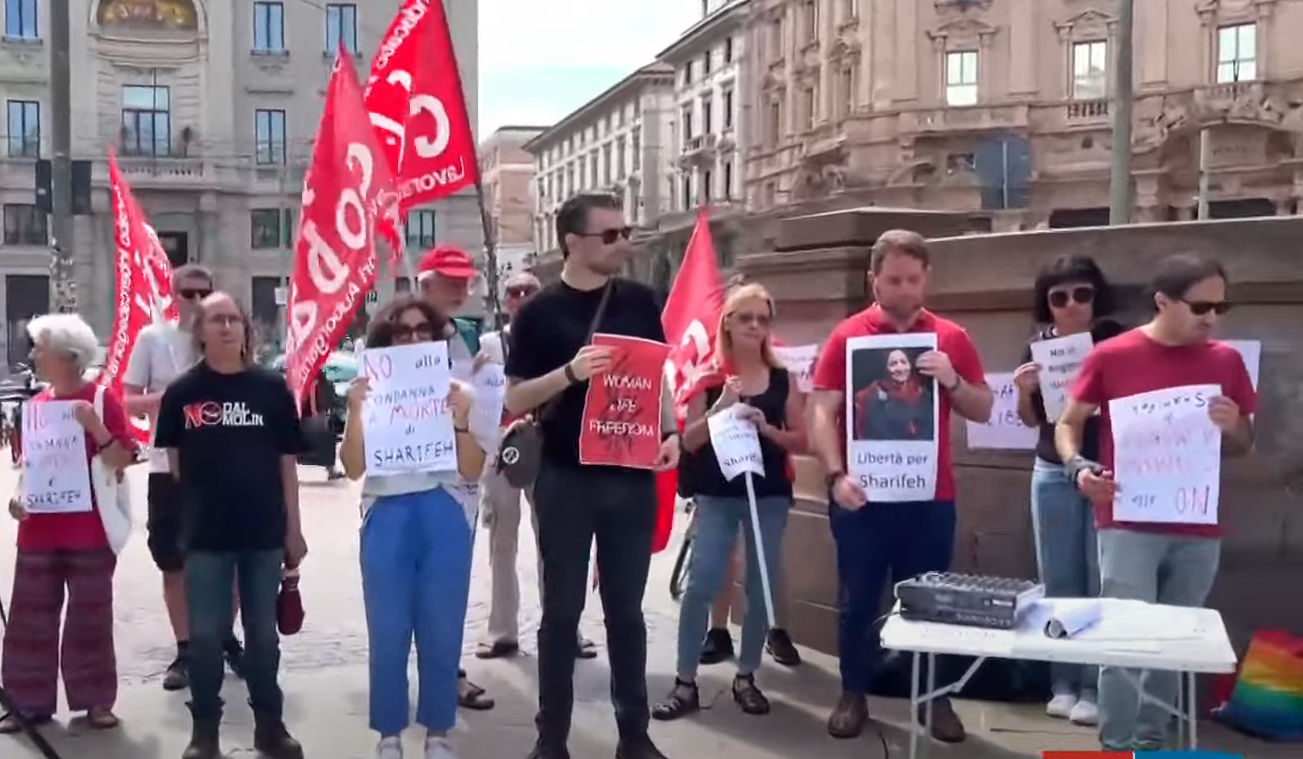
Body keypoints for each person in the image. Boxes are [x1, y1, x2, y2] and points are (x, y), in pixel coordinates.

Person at [1055, 253, 1254, 752]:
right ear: (1163, 302)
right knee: (1123, 637)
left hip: (1196, 524)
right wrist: (1079, 469)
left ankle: (1152, 741)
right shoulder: (1112, 355)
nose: (1212, 317)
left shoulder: (1226, 361)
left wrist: (1236, 427)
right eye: (1201, 305)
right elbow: (1066, 423)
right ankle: (1116, 743)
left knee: (1174, 640)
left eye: (1221, 306)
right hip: (1127, 519)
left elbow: (1245, 442)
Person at [505, 192, 680, 759]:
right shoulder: (539, 312)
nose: (623, 243)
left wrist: (672, 430)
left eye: (625, 231)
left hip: (630, 477)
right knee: (561, 614)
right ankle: (551, 739)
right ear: (572, 243)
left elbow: (657, 378)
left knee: (627, 614)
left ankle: (635, 736)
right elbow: (515, 396)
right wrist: (569, 373)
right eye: (610, 235)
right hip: (565, 478)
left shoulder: (639, 300)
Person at [808, 229, 992, 743]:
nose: (906, 289)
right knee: (858, 601)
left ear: (926, 277)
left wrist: (953, 380)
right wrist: (834, 473)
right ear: (874, 280)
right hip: (862, 497)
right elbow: (820, 409)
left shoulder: (949, 338)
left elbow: (984, 407)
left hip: (930, 498)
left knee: (931, 603)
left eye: (914, 279)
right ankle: (853, 692)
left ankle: (935, 698)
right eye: (895, 279)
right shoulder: (848, 336)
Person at [155, 292, 308, 759]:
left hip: (263, 535)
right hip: (205, 537)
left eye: (233, 319)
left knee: (263, 637)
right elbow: (176, 464)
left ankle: (270, 726)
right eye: (215, 320)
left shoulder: (270, 389)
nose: (225, 327)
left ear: (246, 329)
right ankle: (205, 733)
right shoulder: (181, 394)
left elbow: (288, 465)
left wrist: (294, 529)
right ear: (199, 332)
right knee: (204, 638)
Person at [340, 296, 494, 759]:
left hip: (443, 508)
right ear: (385, 342)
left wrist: (462, 419)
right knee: (386, 630)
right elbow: (351, 468)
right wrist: (353, 413)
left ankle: (438, 733)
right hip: (385, 509)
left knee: (442, 627)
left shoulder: (459, 391)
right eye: (399, 332)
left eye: (420, 330)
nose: (411, 338)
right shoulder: (368, 391)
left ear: (435, 337)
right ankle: (389, 734)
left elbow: (472, 469)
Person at [652, 283, 806, 721]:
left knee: (760, 588)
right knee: (701, 584)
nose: (755, 327)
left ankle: (747, 677)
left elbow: (802, 437)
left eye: (762, 319)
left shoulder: (782, 379)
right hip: (716, 494)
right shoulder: (709, 377)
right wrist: (722, 405)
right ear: (728, 324)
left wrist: (770, 430)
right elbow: (688, 440)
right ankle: (685, 684)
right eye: (746, 318)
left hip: (768, 493)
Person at [0, 314, 137, 733]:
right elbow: (30, 470)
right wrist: (17, 502)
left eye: (41, 348)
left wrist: (95, 428)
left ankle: (95, 700)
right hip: (38, 531)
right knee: (29, 619)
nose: (36, 355)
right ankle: (26, 702)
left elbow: (122, 460)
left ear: (67, 355)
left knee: (90, 617)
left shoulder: (100, 401)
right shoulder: (34, 408)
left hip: (89, 531)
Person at [123, 264, 247, 691]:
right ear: (173, 296)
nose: (196, 301)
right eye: (188, 294)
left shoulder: (225, 336)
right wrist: (172, 396)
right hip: (167, 467)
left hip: (224, 465)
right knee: (173, 561)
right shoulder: (152, 339)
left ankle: (224, 637)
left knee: (229, 558)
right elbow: (128, 401)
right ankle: (186, 647)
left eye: (204, 293)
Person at [1014, 255, 1123, 726]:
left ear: (1096, 297)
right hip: (1051, 467)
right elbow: (1031, 420)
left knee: (1102, 577)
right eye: (1060, 297)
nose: (1072, 305)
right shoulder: (1037, 348)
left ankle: (1098, 687)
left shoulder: (1116, 339)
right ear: (1048, 304)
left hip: (1105, 467)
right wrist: (1022, 390)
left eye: (1082, 294)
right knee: (1058, 579)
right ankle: (1064, 681)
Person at [476, 271, 600, 660]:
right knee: (502, 543)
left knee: (556, 544)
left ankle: (564, 627)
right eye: (514, 292)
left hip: (547, 446)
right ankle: (502, 631)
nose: (522, 297)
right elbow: (476, 393)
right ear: (506, 299)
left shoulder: (557, 340)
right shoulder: (489, 345)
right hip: (502, 451)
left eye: (530, 290)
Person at [415, 244, 497, 710]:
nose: (460, 288)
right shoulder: (400, 333)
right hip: (410, 477)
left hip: (460, 475)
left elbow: (477, 397)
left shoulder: (467, 336)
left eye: (465, 280)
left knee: (448, 581)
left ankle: (446, 669)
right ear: (425, 283)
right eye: (450, 280)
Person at [853, 348, 933, 441]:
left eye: (903, 362)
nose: (900, 368)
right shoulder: (866, 397)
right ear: (884, 368)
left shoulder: (922, 395)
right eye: (893, 364)